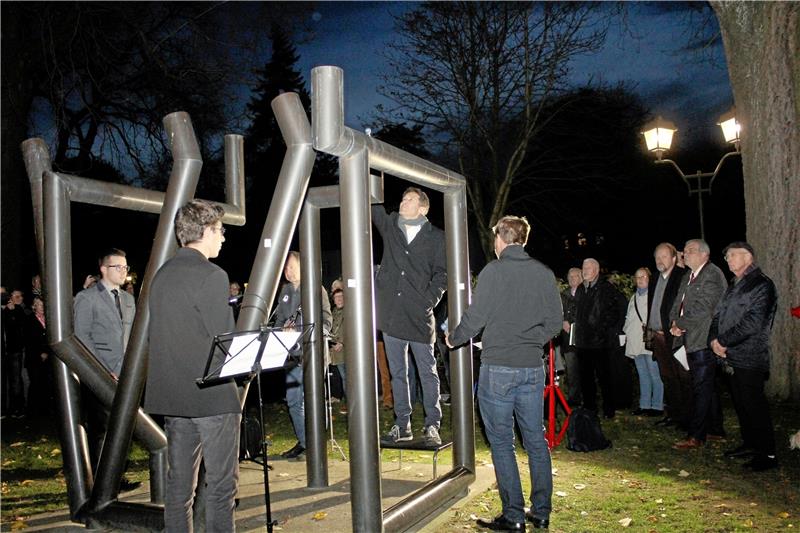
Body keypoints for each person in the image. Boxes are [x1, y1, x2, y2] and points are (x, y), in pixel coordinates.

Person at [447, 215, 561, 531]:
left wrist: (453, 338)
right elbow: (555, 322)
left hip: (498, 368)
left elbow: (476, 317)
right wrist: (530, 341)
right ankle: (541, 512)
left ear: (501, 238)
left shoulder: (494, 271)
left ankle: (513, 516)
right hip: (531, 367)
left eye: (495, 237)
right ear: (523, 240)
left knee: (501, 442)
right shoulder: (543, 273)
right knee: (536, 440)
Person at [145, 199, 241, 531]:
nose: (223, 237)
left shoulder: (160, 276)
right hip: (211, 397)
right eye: (220, 230)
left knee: (178, 488)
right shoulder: (212, 275)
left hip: (174, 398)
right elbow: (223, 341)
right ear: (204, 232)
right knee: (220, 487)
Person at [372, 187, 447, 446]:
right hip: (391, 315)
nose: (403, 202)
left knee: (427, 372)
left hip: (419, 316)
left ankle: (432, 424)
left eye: (409, 200)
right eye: (402, 198)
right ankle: (402, 424)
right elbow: (372, 205)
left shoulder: (437, 237)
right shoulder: (391, 224)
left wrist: (428, 300)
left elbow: (443, 274)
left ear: (423, 208)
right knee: (398, 373)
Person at [710, 242, 778, 471]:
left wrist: (723, 341)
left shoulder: (762, 284)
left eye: (732, 255)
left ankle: (767, 454)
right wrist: (714, 340)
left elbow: (753, 323)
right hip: (730, 355)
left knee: (754, 405)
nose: (728, 259)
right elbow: (718, 315)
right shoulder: (734, 284)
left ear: (748, 257)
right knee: (741, 404)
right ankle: (750, 443)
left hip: (749, 355)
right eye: (727, 256)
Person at [273, 251, 332, 461]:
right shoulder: (285, 291)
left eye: (291, 267)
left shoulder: (316, 289)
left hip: (312, 353)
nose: (288, 272)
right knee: (293, 401)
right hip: (291, 356)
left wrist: (306, 332)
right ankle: (306, 442)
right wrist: (281, 331)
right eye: (286, 268)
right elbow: (279, 319)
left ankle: (317, 442)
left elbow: (326, 320)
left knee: (313, 399)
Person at [670, 239, 727, 449]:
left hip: (703, 339)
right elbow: (678, 303)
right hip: (688, 338)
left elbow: (705, 308)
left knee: (701, 388)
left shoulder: (712, 275)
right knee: (707, 387)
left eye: (690, 251)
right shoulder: (688, 276)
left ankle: (696, 435)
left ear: (705, 254)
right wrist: (674, 323)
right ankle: (715, 429)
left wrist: (681, 324)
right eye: (684, 251)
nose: (685, 254)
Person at [573, 258, 625, 419]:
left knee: (604, 378)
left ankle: (609, 409)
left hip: (600, 343)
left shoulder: (606, 288)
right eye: (583, 267)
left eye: (588, 267)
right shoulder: (581, 288)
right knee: (585, 378)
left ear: (596, 269)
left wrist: (601, 331)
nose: (585, 270)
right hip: (583, 343)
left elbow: (614, 313)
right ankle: (590, 408)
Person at [646, 243, 690, 427]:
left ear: (674, 258)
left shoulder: (681, 277)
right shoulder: (655, 279)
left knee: (683, 377)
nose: (659, 260)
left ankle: (688, 417)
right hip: (657, 337)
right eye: (657, 257)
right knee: (667, 377)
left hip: (675, 337)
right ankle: (673, 415)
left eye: (664, 256)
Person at [74, 248, 135, 380]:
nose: (123, 271)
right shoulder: (87, 297)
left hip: (128, 371)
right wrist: (102, 370)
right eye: (118, 267)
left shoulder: (129, 299)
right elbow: (82, 337)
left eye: (125, 267)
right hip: (101, 374)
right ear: (104, 269)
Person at [623, 268, 663, 416]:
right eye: (637, 277)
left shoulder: (654, 297)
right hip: (635, 341)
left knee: (655, 374)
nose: (640, 279)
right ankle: (644, 404)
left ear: (649, 278)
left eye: (643, 276)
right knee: (642, 374)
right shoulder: (633, 298)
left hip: (649, 341)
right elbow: (628, 318)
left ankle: (657, 406)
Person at [24, 297, 53, 416]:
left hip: (49, 357)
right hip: (34, 358)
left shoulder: (49, 320)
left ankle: (46, 409)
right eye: (39, 305)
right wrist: (40, 352)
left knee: (47, 383)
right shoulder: (29, 320)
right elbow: (29, 340)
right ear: (33, 307)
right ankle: (33, 411)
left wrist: (47, 351)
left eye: (43, 304)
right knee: (36, 383)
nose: (41, 307)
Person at [2, 289, 28, 418]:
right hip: (4, 351)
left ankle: (17, 408)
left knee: (16, 381)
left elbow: (19, 329)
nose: (19, 298)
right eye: (15, 296)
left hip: (15, 351)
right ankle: (5, 409)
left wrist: (11, 312)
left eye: (20, 296)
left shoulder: (18, 310)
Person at [560, 267, 583, 405]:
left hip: (583, 339)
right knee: (571, 370)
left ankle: (586, 398)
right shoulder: (562, 295)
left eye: (575, 275)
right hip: (567, 340)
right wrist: (562, 321)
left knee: (585, 369)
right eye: (570, 276)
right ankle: (574, 399)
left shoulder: (586, 293)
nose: (572, 278)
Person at [329, 287, 347, 413]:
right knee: (343, 377)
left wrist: (342, 342)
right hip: (336, 351)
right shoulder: (333, 312)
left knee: (348, 377)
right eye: (336, 297)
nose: (339, 299)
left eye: (341, 296)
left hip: (347, 350)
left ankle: (350, 403)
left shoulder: (349, 311)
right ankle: (347, 401)